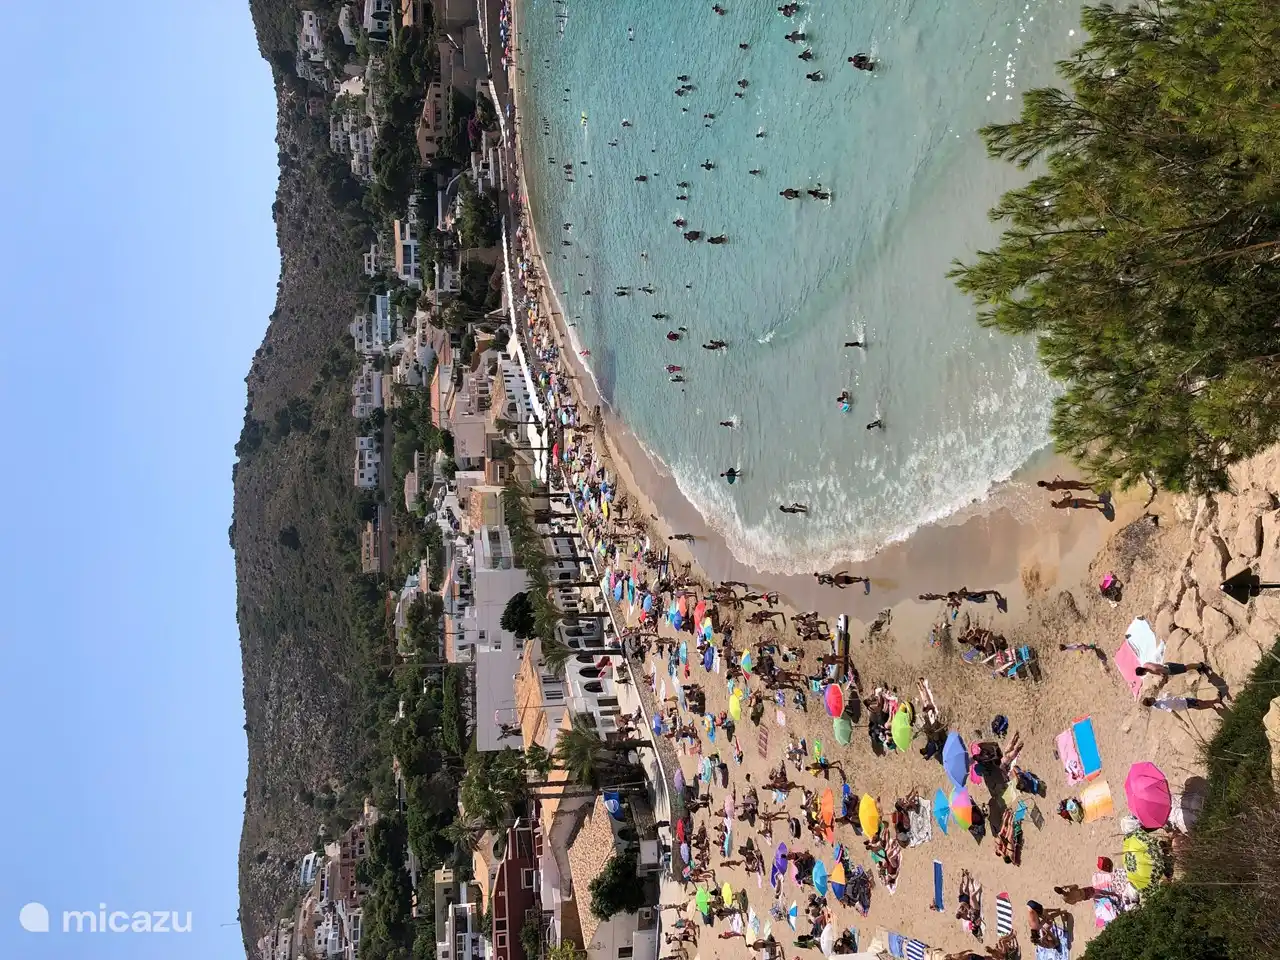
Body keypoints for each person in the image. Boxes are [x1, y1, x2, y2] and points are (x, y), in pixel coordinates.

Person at [1143, 694, 1223, 712]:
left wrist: (1167, 696)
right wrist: (1182, 721)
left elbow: (1165, 700)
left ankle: (1215, 702)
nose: (1151, 697)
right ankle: (1214, 703)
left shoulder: (1156, 703)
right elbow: (1172, 711)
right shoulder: (1161, 705)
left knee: (1199, 703)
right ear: (1151, 702)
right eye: (1150, 698)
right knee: (1199, 703)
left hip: (1182, 702)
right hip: (1184, 702)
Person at [1136, 661, 1211, 677]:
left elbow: (1166, 671)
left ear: (1143, 672)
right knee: (1185, 667)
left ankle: (1200, 665)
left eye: (1142, 674)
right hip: (1167, 664)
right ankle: (1197, 667)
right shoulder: (1145, 665)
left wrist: (1164, 675)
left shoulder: (1154, 669)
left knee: (1185, 668)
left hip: (1170, 669)